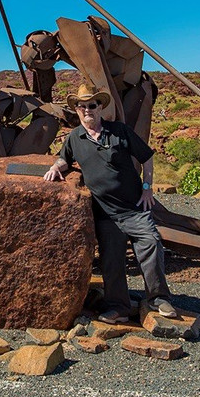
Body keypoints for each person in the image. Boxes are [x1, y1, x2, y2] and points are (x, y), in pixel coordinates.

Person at [43, 82, 178, 324]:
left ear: (100, 107)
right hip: (105, 214)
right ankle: (119, 307)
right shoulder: (76, 137)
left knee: (150, 242)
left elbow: (146, 157)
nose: (87, 110)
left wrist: (147, 188)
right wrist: (55, 167)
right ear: (77, 110)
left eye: (91, 105)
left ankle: (158, 298)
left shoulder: (119, 131)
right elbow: (65, 159)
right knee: (111, 259)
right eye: (82, 106)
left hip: (134, 208)